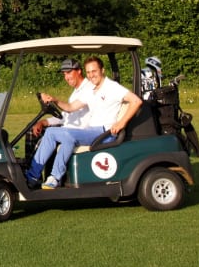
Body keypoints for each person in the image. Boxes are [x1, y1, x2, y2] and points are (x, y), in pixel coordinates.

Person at [24, 55, 143, 190]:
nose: (91, 75)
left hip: (104, 132)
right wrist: (54, 100)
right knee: (62, 137)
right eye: (89, 72)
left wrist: (121, 123)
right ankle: (42, 177)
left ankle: (44, 176)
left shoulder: (112, 87)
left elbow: (136, 101)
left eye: (94, 71)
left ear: (102, 70)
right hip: (92, 131)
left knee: (57, 134)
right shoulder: (92, 90)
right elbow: (70, 107)